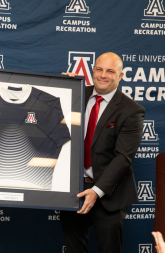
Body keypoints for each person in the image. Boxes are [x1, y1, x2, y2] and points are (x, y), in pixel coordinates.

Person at [60, 52, 145, 253]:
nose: (103, 75)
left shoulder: (131, 111)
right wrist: (62, 88)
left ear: (120, 76)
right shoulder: (77, 93)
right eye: (99, 69)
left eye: (110, 71)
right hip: (75, 192)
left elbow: (123, 158)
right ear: (93, 71)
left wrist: (96, 191)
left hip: (109, 195)